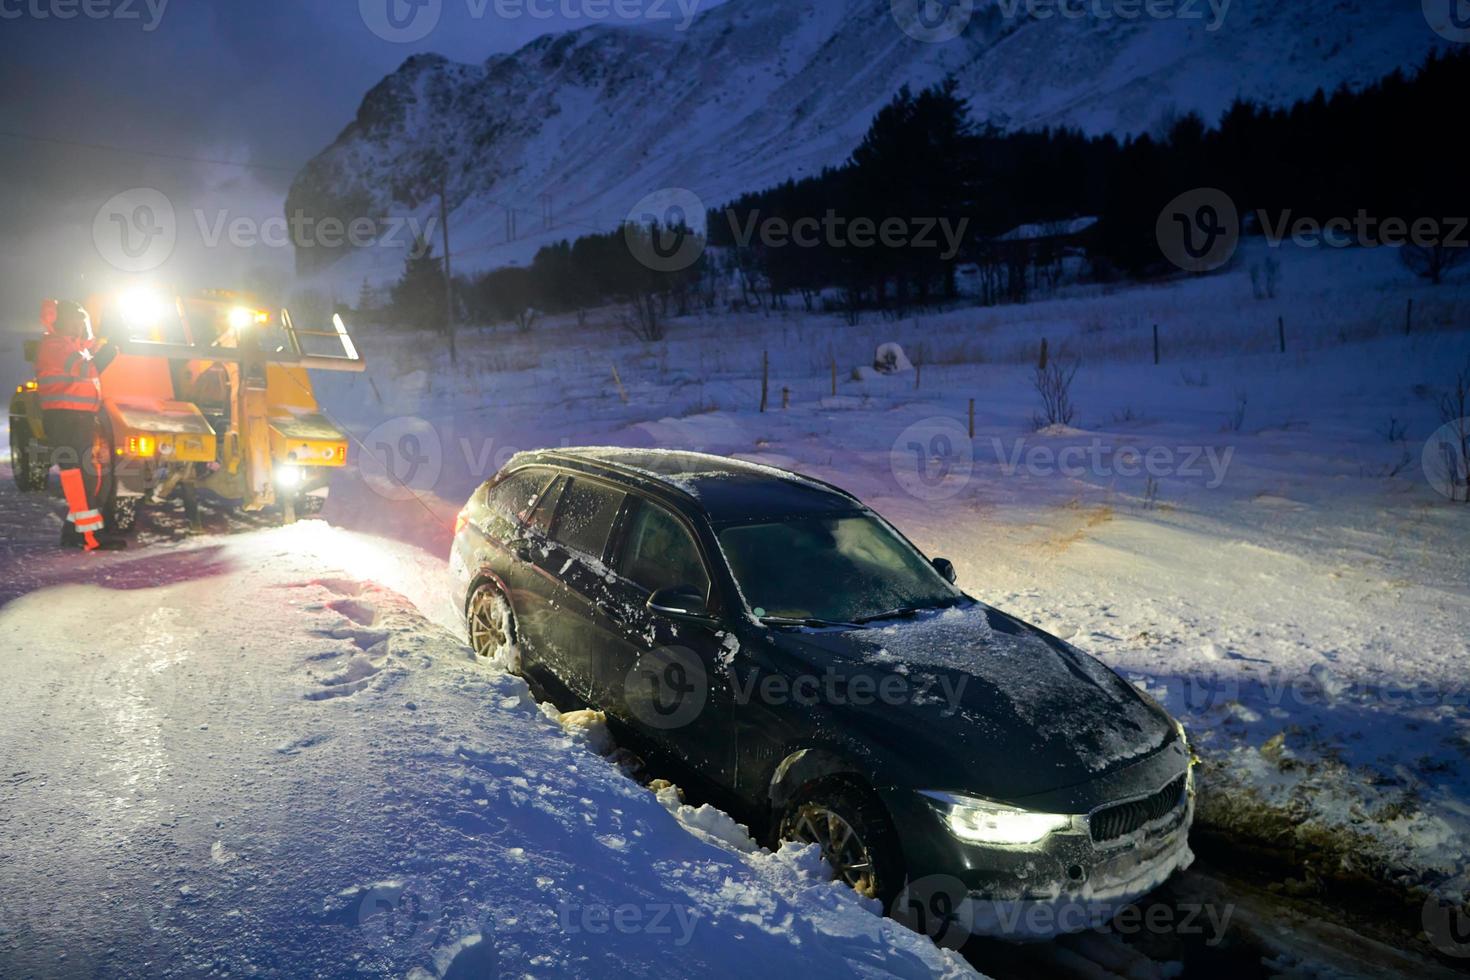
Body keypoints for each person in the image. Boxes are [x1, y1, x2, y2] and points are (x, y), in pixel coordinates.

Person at [35, 300, 124, 551]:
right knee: (80, 477)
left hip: (78, 418)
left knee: (88, 475)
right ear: (61, 320)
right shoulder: (54, 345)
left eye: (81, 318)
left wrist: (112, 340)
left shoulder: (72, 345)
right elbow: (85, 369)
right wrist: (107, 351)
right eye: (75, 319)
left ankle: (74, 533)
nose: (80, 323)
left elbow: (91, 352)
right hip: (65, 419)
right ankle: (90, 537)